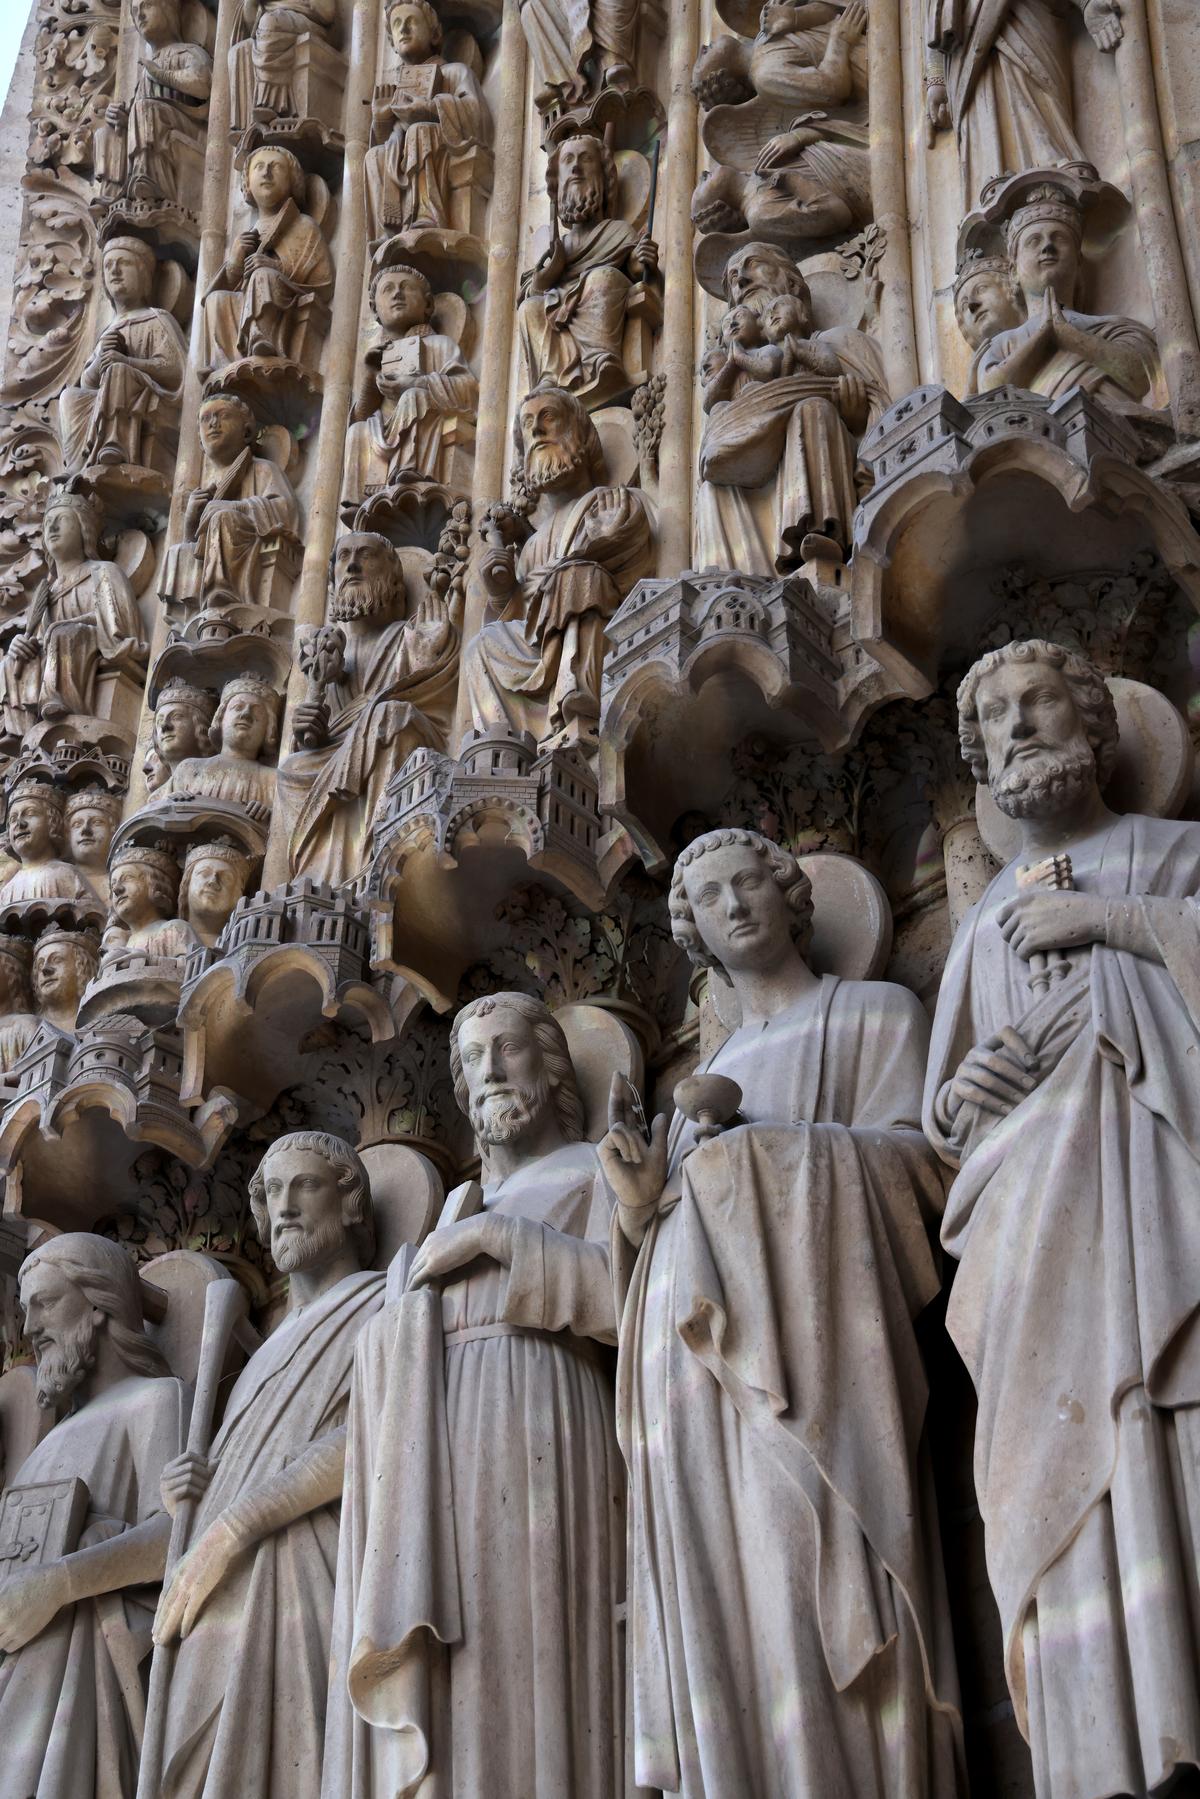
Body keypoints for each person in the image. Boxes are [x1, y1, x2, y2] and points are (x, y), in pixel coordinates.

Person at [602, 826, 964, 1796]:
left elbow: (928, 1171)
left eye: (746, 880)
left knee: (811, 1565)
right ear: (696, 938)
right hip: (686, 1377)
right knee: (727, 1589)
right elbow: (657, 1246)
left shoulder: (876, 1016)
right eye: (707, 897)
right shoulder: (687, 1098)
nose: (732, 903)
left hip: (818, 1350)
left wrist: (763, 1151)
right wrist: (642, 1198)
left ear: (792, 893)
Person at [924, 639, 1200, 1798]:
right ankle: (1106, 1736)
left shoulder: (1171, 856)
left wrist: (1119, 928)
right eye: (995, 716)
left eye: (1042, 700)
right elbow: (944, 1122)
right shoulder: (981, 920)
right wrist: (964, 1097)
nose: (1019, 725)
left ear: (1096, 724)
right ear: (980, 757)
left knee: (1171, 1444)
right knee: (1061, 1481)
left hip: (1160, 1203)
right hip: (1031, 1244)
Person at [323, 993, 625, 1798]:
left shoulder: (600, 1168)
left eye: (508, 1048)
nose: (490, 1070)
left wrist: (500, 1241)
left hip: (546, 1412)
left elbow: (632, 1303)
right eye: (473, 1058)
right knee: (461, 1666)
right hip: (436, 1452)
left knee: (538, 1639)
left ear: (554, 1066)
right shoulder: (452, 1209)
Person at [153, 1133, 386, 1798]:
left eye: (303, 1185)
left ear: (348, 1203)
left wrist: (233, 1525)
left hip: (303, 1573)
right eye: (271, 1192)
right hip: (215, 1594)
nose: (282, 1207)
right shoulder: (256, 1362)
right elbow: (236, 1479)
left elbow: (373, 1432)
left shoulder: (380, 1301)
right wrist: (192, 1500)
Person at [0, 1235, 183, 1799]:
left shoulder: (155, 1399)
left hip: (80, 1670)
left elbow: (174, 1536)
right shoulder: (43, 1448)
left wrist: (59, 1584)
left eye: (44, 1303)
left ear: (100, 1305)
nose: (30, 1326)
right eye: (24, 1308)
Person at [463, 382, 654, 742]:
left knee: (579, 578)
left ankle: (576, 707)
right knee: (482, 645)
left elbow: (617, 546)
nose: (536, 429)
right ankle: (504, 741)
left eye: (548, 417)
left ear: (581, 436)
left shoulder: (611, 500)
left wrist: (554, 573)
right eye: (526, 424)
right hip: (540, 643)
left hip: (596, 633)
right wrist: (503, 593)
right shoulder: (532, 543)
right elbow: (524, 619)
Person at [697, 241, 889, 570]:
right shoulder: (735, 379)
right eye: (732, 279)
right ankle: (735, 577)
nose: (740, 281)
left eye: (752, 265)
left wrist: (858, 418)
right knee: (712, 481)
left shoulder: (838, 343)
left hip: (826, 456)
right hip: (750, 482)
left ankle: (820, 533)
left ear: (794, 285)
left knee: (812, 410)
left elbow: (885, 411)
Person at [279, 531, 457, 886]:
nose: (353, 565)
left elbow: (432, 699)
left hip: (397, 737)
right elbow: (320, 738)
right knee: (290, 770)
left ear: (393, 577)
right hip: (337, 757)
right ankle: (320, 879)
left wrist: (429, 647)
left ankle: (380, 856)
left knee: (389, 717)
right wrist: (308, 730)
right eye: (343, 557)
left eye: (365, 555)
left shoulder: (407, 636)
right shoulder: (326, 657)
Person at [926, 0, 1123, 207]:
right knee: (986, 110)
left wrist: (1086, 5)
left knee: (1037, 95)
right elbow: (934, 10)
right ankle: (994, 188)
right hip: (964, 42)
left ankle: (1054, 167)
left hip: (1027, 13)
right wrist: (936, 77)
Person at [517, 130, 659, 404]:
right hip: (558, 310)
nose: (576, 168)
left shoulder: (617, 232)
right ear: (558, 186)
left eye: (585, 160)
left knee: (604, 278)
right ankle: (550, 376)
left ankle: (599, 362)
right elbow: (530, 290)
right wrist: (547, 275)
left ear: (604, 179)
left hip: (595, 302)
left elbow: (632, 267)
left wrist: (640, 260)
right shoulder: (559, 245)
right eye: (568, 161)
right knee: (529, 308)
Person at [0, 491, 148, 741]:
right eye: (47, 523)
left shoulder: (104, 572)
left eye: (62, 519)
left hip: (92, 644)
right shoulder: (46, 592)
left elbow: (119, 626)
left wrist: (64, 625)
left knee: (63, 633)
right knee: (10, 660)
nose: (53, 527)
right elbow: (38, 641)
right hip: (55, 650)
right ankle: (19, 731)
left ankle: (60, 706)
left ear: (84, 530)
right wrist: (21, 646)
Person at [343, 264, 479, 506]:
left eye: (406, 288)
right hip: (384, 432)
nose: (397, 294)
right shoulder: (378, 357)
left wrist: (418, 383)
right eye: (388, 289)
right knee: (356, 431)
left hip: (423, 418)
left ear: (428, 305)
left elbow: (468, 390)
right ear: (375, 309)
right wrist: (369, 374)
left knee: (413, 396)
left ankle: (408, 471)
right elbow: (362, 415)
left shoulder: (438, 345)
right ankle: (357, 503)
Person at [59, 235, 187, 473]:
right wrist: (100, 360)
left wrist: (126, 361)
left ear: (144, 276)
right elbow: (88, 384)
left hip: (147, 397)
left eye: (124, 263)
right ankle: (78, 464)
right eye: (108, 266)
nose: (115, 271)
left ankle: (116, 443)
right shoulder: (108, 330)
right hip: (105, 397)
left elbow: (175, 370)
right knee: (70, 396)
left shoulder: (156, 319)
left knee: (118, 371)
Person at [365, 0, 491, 240]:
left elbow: (478, 116)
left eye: (411, 21)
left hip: (440, 148)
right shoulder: (396, 87)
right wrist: (381, 119)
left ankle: (427, 214)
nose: (403, 29)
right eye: (397, 24)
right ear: (391, 41)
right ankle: (388, 229)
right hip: (405, 153)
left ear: (434, 34)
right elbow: (385, 140)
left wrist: (431, 109)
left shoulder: (455, 72)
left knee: (419, 130)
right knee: (374, 155)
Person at [201, 143, 334, 371]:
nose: (266, 172)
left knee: (263, 275)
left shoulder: (303, 226)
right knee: (216, 300)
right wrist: (235, 261)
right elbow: (229, 286)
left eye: (276, 167)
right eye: (259, 167)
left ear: (293, 182)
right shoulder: (246, 236)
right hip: (246, 303)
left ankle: (261, 338)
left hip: (286, 301)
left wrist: (276, 267)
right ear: (247, 185)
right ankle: (222, 364)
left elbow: (323, 282)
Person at [160, 674, 280, 818]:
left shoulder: (272, 780)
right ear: (220, 719)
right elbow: (154, 813)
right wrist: (170, 801)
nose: (246, 714)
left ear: (269, 729)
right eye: (238, 707)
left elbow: (285, 830)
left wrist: (269, 815)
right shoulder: (188, 769)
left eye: (257, 711)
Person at [0, 780, 100, 905]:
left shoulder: (66, 874)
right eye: (13, 819)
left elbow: (93, 915)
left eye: (30, 813)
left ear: (53, 823)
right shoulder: (7, 891)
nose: (20, 824)